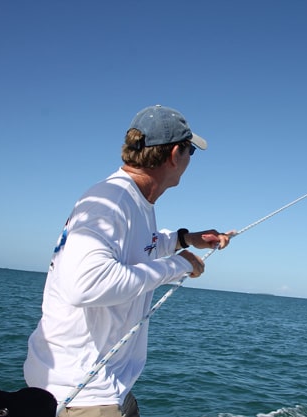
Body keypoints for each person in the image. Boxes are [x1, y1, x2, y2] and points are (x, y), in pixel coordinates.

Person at [24, 104, 232, 417]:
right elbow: (86, 286)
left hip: (105, 384)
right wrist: (181, 265)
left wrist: (185, 239)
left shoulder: (135, 200)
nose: (190, 159)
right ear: (175, 154)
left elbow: (141, 246)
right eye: (190, 151)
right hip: (81, 392)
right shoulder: (110, 201)